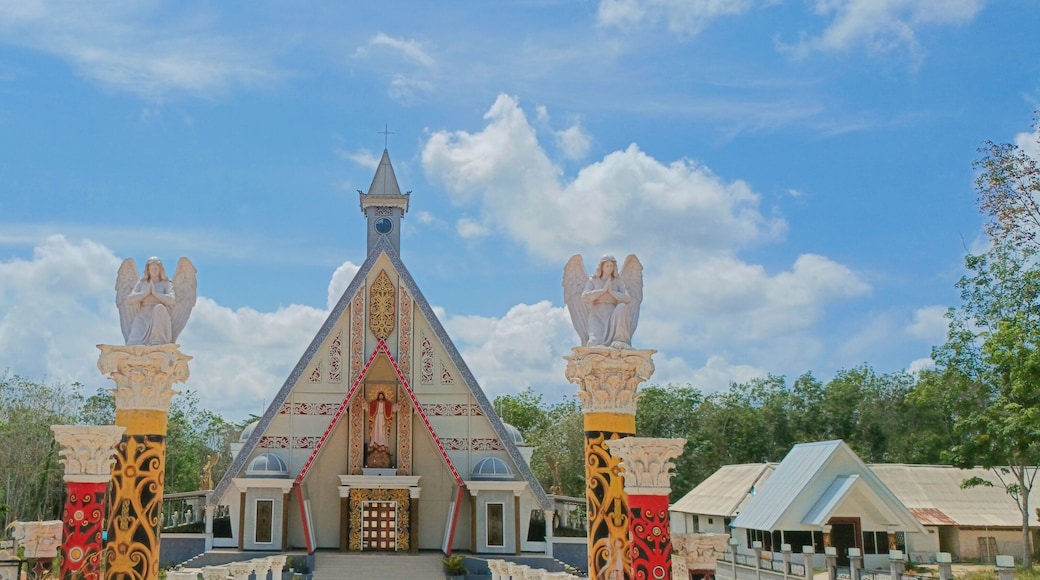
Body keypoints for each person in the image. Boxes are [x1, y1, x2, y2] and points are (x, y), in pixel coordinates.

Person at [581, 255, 634, 347]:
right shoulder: (593, 280)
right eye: (607, 266)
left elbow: (627, 298)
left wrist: (612, 292)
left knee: (622, 307)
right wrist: (602, 291)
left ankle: (620, 339)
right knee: (594, 343)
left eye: (611, 266)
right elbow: (584, 297)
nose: (609, 268)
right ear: (602, 267)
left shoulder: (618, 281)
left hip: (612, 316)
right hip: (597, 316)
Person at [125, 258, 176, 346]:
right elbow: (129, 300)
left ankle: (157, 340)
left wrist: (155, 294)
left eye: (156, 268)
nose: (153, 271)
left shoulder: (166, 284)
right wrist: (145, 293)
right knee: (132, 344)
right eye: (151, 269)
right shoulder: (141, 283)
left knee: (158, 308)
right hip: (142, 315)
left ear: (160, 269)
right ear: (148, 270)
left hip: (159, 316)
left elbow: (171, 300)